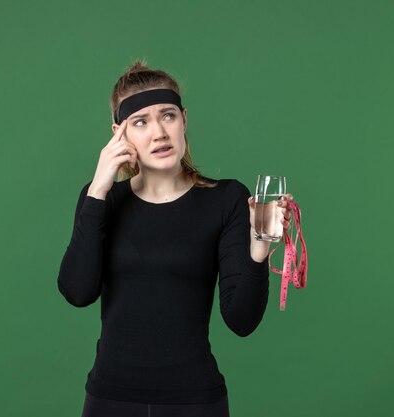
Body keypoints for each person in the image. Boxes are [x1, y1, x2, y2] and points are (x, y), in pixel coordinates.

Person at [57, 60, 293, 417]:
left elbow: (241, 321)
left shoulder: (226, 199)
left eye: (167, 116)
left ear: (184, 119)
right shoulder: (101, 200)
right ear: (119, 134)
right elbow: (77, 292)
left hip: (196, 400)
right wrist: (98, 190)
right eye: (140, 122)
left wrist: (259, 248)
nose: (158, 133)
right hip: (111, 398)